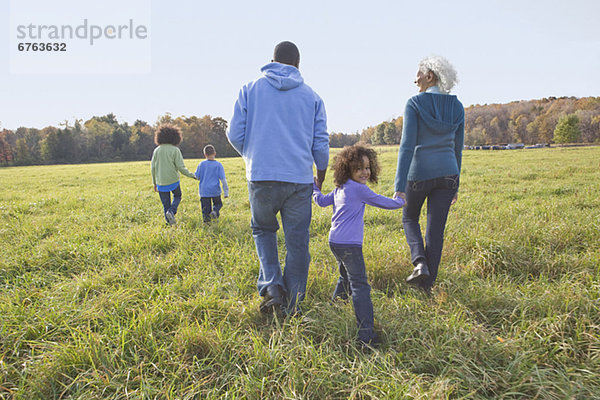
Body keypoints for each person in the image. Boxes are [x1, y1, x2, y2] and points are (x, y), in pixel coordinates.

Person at [227, 41, 329, 316]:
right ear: (298, 64)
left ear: (271, 61)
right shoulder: (312, 97)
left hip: (261, 175)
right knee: (297, 241)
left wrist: (253, 156)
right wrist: (320, 173)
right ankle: (294, 302)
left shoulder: (249, 90)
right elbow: (320, 142)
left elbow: (234, 133)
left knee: (263, 230)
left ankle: (272, 288)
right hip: (299, 179)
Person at [313, 144, 404, 346]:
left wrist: (314, 187)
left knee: (345, 276)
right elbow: (384, 202)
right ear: (348, 170)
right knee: (360, 285)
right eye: (359, 168)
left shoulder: (340, 189)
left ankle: (335, 307)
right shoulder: (359, 189)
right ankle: (366, 336)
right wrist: (401, 200)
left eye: (367, 167)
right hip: (349, 245)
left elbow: (320, 201)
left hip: (334, 242)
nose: (365, 172)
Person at [394, 55, 464, 293]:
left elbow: (407, 146)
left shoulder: (414, 104)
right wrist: (456, 184)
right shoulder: (457, 106)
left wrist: (399, 185)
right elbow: (457, 147)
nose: (415, 80)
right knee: (436, 231)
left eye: (418, 74)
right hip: (448, 174)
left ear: (429, 76)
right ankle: (427, 287)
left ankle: (420, 263)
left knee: (408, 218)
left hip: (419, 173)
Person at [150, 124, 197, 225]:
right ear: (176, 137)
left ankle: (169, 223)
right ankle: (172, 211)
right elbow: (181, 167)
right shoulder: (175, 150)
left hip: (160, 183)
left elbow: (153, 168)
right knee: (178, 196)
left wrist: (154, 183)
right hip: (173, 181)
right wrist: (192, 175)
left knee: (165, 204)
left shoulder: (156, 150)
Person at [195, 144, 229, 222]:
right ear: (215, 153)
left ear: (205, 155)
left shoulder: (201, 164)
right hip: (215, 190)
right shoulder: (218, 165)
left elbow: (197, 177)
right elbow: (223, 180)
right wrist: (226, 192)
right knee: (218, 204)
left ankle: (207, 223)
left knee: (205, 209)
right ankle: (215, 211)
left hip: (204, 191)